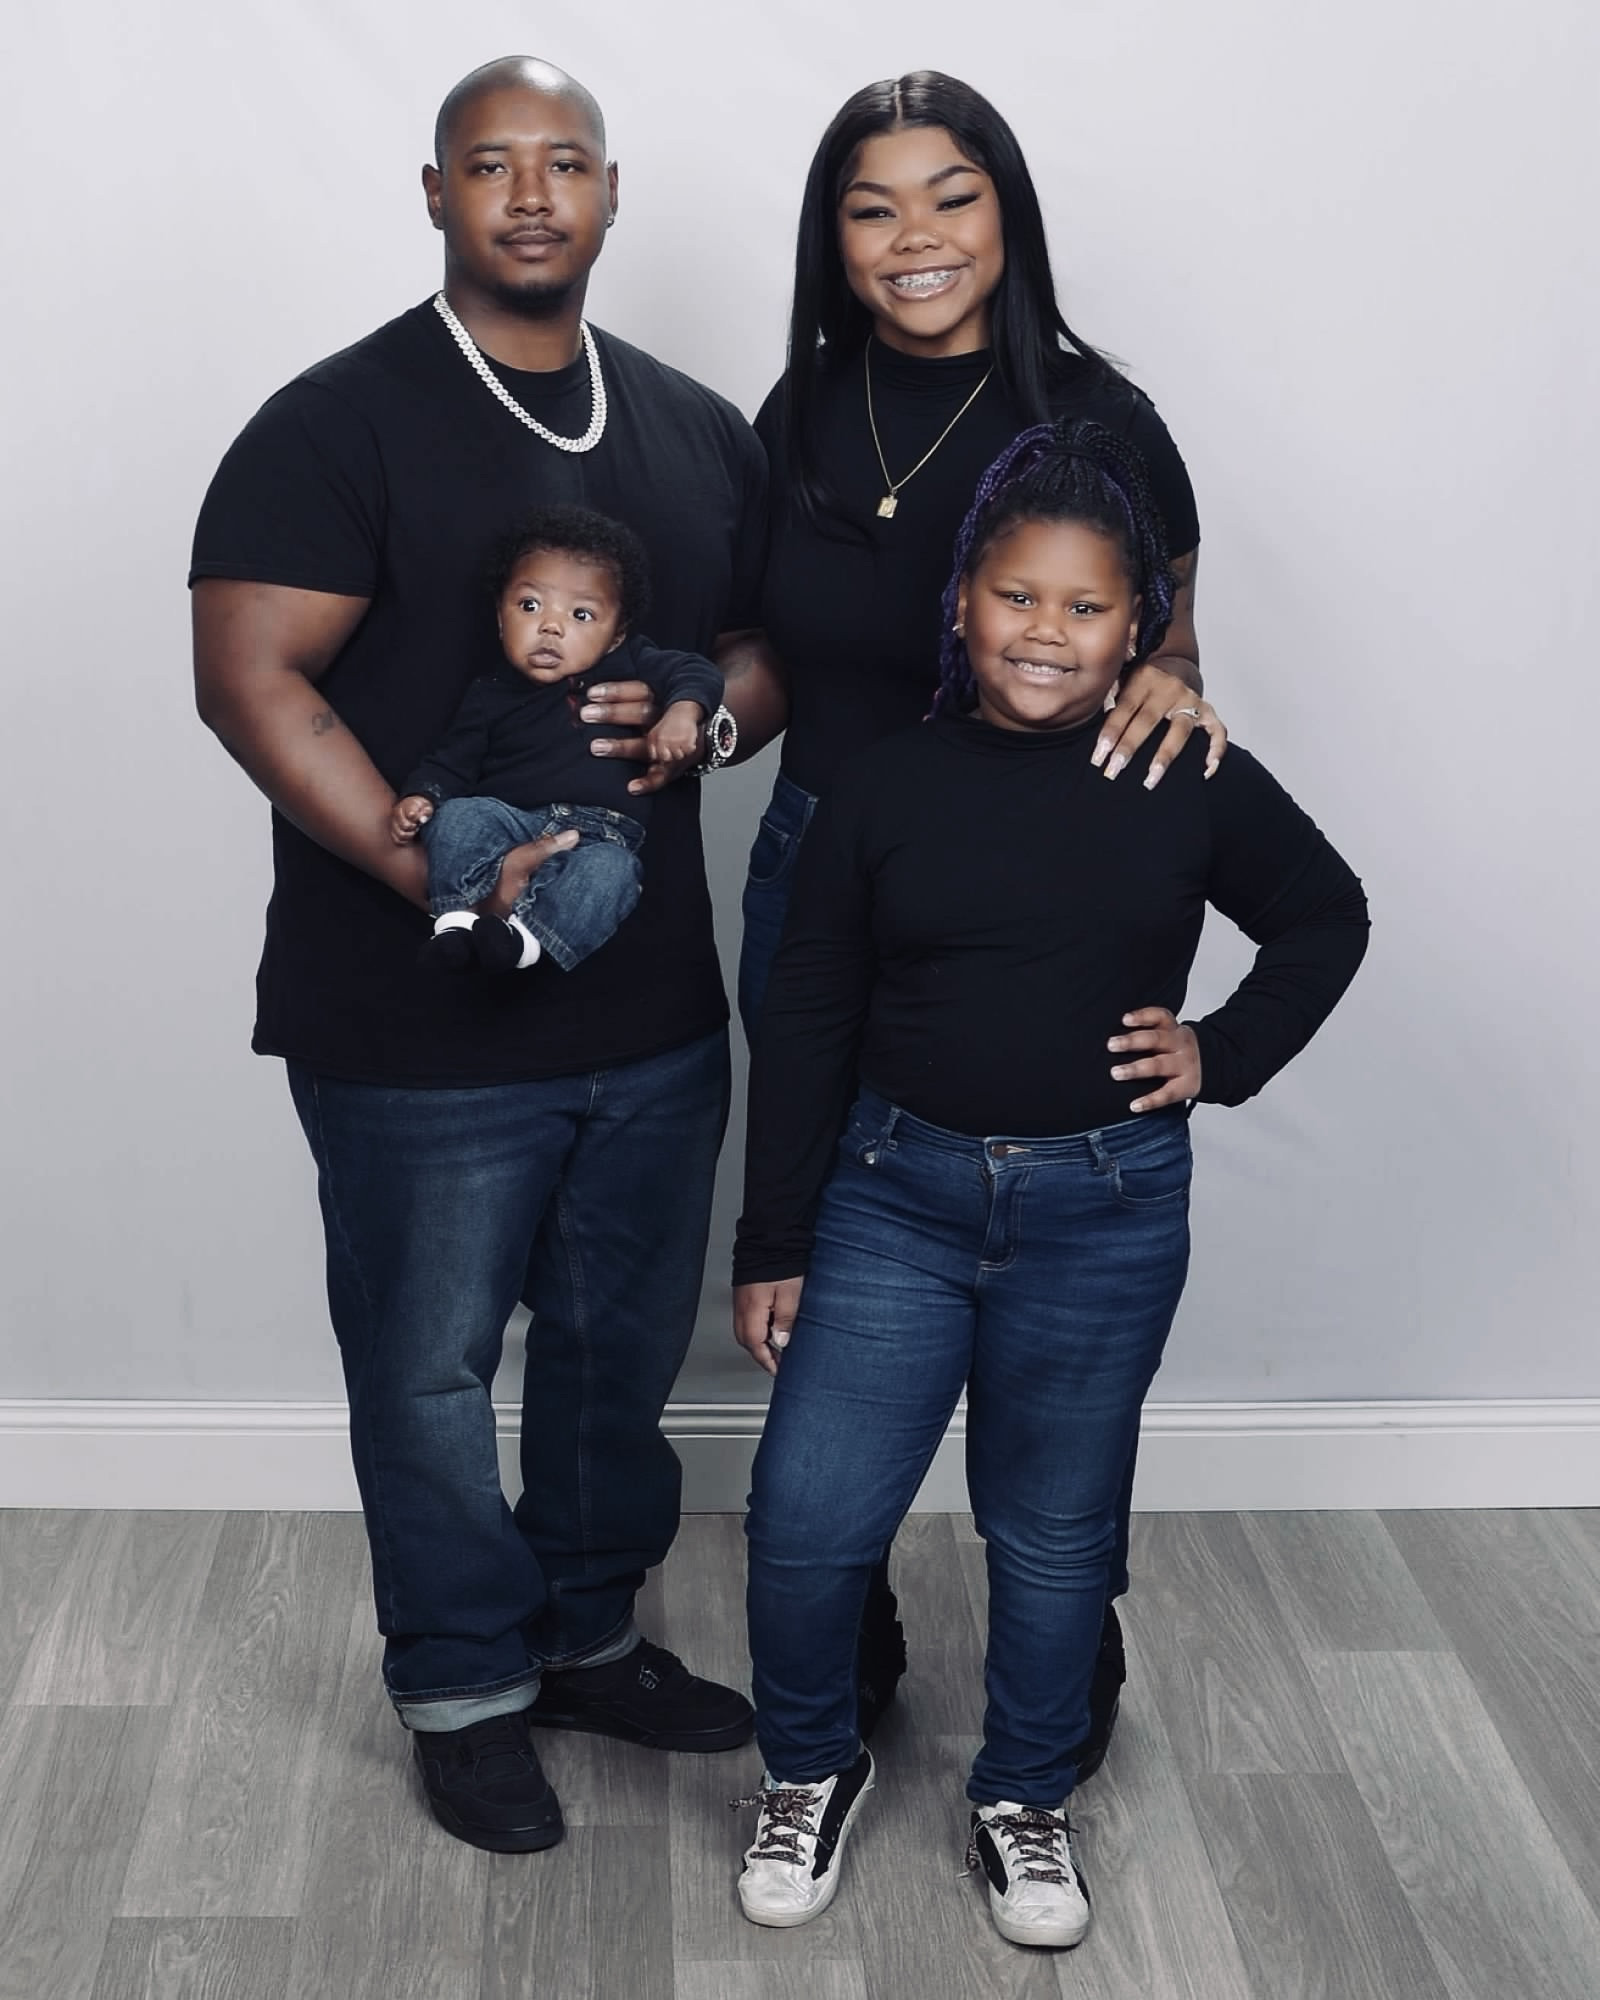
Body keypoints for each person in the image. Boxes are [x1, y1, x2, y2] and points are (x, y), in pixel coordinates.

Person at [190, 56, 766, 1856]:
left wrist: (708, 727)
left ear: (611, 192)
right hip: (411, 1021)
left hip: (651, 1010)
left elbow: (766, 650)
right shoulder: (335, 424)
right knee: (431, 1373)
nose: (531, 193)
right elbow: (249, 675)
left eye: (564, 161)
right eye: (491, 164)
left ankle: (586, 1639)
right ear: (434, 192)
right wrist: (445, 859)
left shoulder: (694, 430)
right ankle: (461, 1687)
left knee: (616, 1352)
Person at [729, 419, 1369, 1944]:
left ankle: (1025, 1792)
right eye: (1018, 596)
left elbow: (1326, 915)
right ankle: (810, 1766)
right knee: (806, 1518)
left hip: (1106, 1211)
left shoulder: (1183, 770)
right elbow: (807, 1014)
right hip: (893, 1200)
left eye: (1087, 607)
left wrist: (1222, 1051)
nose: (1046, 632)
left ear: (1139, 626)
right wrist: (773, 1236)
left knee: (1055, 1532)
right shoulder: (884, 784)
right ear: (964, 602)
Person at [735, 69, 1227, 1763]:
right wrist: (690, 726)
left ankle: (1069, 1625)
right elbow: (764, 650)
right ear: (835, 237)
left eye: (952, 196)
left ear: (1007, 212)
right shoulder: (803, 409)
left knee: (1064, 1299)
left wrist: (1172, 681)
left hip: (1032, 893)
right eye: (872, 207)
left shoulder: (1101, 414)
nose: (916, 237)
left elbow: (1168, 648)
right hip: (821, 860)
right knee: (834, 1234)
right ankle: (846, 1620)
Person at [392, 505, 724, 975]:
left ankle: (525, 942)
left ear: (616, 636)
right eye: (530, 606)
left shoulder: (631, 661)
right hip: (511, 824)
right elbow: (450, 763)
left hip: (602, 833)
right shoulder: (489, 694)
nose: (551, 626)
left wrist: (683, 712)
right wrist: (422, 796)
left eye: (582, 614)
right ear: (501, 617)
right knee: (460, 817)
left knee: (613, 873)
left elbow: (695, 670)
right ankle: (456, 922)